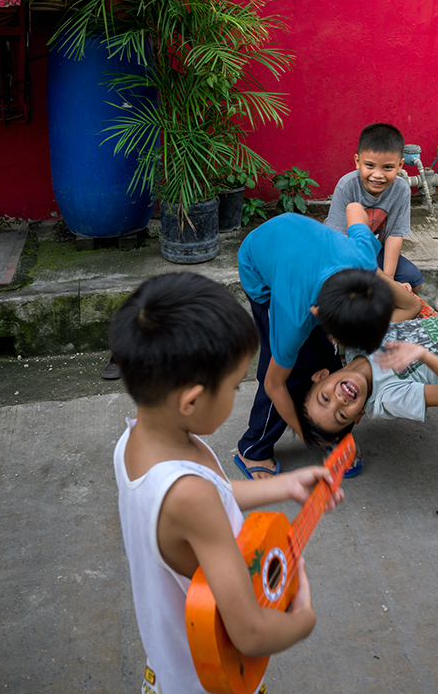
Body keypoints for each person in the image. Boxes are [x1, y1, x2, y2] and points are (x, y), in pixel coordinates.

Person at [110, 273, 342, 693]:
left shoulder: (137, 440)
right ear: (192, 400)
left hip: (168, 666)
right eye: (236, 386)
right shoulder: (189, 495)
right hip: (209, 679)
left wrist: (285, 485)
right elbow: (250, 633)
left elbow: (213, 497)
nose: (240, 394)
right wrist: (302, 621)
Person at [235, 211, 420, 481]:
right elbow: (273, 384)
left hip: (304, 249)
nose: (337, 342)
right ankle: (252, 449)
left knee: (332, 366)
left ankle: (333, 432)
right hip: (263, 275)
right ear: (319, 315)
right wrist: (308, 435)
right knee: (292, 372)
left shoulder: (364, 259)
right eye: (339, 338)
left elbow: (356, 209)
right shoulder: (293, 317)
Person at [293, 312, 438, 446]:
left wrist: (368, 266)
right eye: (342, 415)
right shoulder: (388, 397)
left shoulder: (357, 346)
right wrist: (424, 356)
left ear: (321, 376)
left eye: (325, 399)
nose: (339, 401)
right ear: (359, 415)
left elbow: (410, 307)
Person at [322, 122, 423, 292]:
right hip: (342, 253)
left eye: (388, 167)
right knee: (355, 289)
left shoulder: (401, 189)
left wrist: (388, 282)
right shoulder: (347, 186)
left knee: (414, 280)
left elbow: (395, 236)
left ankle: (399, 318)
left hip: (377, 251)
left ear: (400, 166)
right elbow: (338, 240)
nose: (378, 175)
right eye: (370, 165)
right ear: (357, 161)